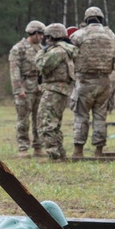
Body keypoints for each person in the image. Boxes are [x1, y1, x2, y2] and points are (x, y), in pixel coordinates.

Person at [68, 7, 115, 157]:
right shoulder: (111, 35)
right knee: (100, 117)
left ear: (86, 19)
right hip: (104, 82)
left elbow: (68, 53)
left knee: (81, 116)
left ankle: (78, 151)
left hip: (84, 82)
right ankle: (98, 151)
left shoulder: (79, 34)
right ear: (101, 19)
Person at [35, 23, 76, 161]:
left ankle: (54, 155)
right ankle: (60, 153)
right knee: (54, 123)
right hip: (60, 90)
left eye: (47, 36)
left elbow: (42, 65)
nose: (45, 40)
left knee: (46, 123)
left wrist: (41, 52)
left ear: (53, 36)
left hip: (54, 90)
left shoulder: (57, 51)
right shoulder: (66, 49)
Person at [8, 20, 45, 157]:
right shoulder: (19, 48)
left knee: (39, 119)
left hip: (38, 88)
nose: (42, 37)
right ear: (33, 33)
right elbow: (14, 70)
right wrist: (18, 89)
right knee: (23, 119)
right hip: (25, 87)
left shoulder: (41, 49)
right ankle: (23, 148)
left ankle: (38, 146)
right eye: (40, 34)